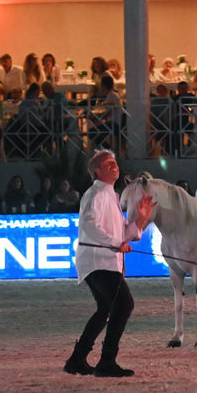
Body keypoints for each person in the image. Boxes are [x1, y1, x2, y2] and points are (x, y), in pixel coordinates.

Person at [64, 149, 155, 377]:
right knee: (123, 305)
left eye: (114, 162)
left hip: (100, 260)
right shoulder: (96, 194)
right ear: (97, 171)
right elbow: (91, 225)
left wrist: (140, 221)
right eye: (108, 164)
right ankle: (106, 361)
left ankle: (77, 359)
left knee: (106, 309)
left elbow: (123, 232)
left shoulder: (109, 195)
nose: (115, 166)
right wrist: (117, 243)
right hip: (99, 260)